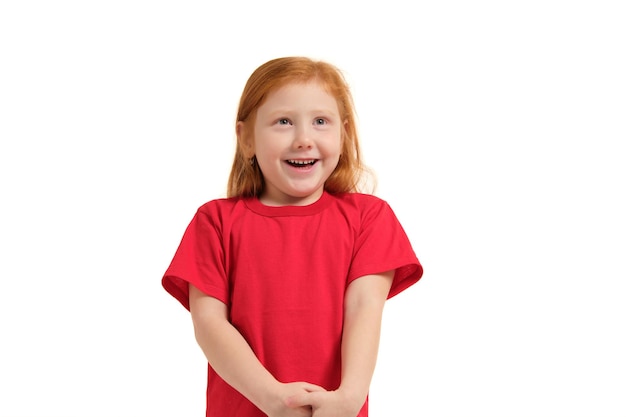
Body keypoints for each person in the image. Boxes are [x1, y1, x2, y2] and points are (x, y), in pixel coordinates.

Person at [162, 56, 423, 417]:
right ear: (247, 138)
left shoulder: (369, 218)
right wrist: (273, 399)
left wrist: (349, 398)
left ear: (343, 134)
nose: (304, 139)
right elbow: (208, 323)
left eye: (320, 122)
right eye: (283, 122)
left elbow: (365, 307)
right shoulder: (215, 222)